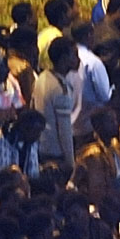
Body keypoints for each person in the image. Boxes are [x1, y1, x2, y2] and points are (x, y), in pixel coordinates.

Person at [70, 107, 120, 228]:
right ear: (98, 126)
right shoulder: (89, 154)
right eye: (110, 121)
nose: (115, 124)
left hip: (119, 206)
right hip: (99, 211)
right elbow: (72, 184)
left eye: (115, 120)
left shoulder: (117, 147)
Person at [33, 36, 80, 170]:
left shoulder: (43, 77)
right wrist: (71, 164)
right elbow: (64, 132)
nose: (78, 60)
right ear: (64, 59)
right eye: (74, 55)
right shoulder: (60, 90)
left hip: (40, 149)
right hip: (56, 155)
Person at [0, 108, 45, 178]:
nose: (39, 136)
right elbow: (1, 175)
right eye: (37, 131)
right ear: (26, 129)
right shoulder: (1, 139)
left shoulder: (32, 142)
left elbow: (34, 173)